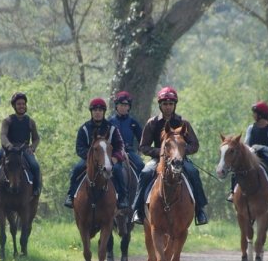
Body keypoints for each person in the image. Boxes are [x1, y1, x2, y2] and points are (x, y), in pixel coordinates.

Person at [131, 86, 209, 226]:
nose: (168, 107)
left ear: (174, 105)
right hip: (159, 159)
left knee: (193, 172)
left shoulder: (183, 123)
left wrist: (180, 151)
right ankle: (138, 210)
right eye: (165, 104)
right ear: (160, 105)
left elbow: (194, 144)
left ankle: (200, 210)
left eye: (171, 104)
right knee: (145, 173)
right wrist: (162, 152)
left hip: (179, 159)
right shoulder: (152, 123)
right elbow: (143, 147)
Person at [64, 97, 128, 210]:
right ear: (91, 112)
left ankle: (122, 198)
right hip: (89, 160)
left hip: (108, 159)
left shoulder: (112, 128)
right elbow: (79, 147)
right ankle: (70, 195)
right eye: (95, 110)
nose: (97, 113)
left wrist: (116, 157)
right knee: (77, 169)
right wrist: (91, 158)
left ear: (103, 112)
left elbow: (120, 146)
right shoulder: (84, 128)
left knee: (118, 170)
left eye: (100, 110)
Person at [227, 101, 268, 204]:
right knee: (236, 169)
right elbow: (246, 143)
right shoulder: (251, 128)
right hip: (251, 155)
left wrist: (262, 148)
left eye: (255, 113)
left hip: (264, 157)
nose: (253, 115)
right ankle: (232, 192)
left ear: (261, 115)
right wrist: (250, 149)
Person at [0, 92, 41, 197]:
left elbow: (36, 138)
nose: (21, 106)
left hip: (23, 149)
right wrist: (8, 146)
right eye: (19, 104)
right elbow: (3, 135)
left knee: (35, 165)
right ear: (14, 106)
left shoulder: (30, 122)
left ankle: (36, 188)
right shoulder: (7, 121)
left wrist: (32, 148)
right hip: (9, 149)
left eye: (23, 104)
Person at [108, 91, 144, 175]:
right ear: (116, 106)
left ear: (129, 107)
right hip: (114, 152)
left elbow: (142, 139)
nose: (123, 108)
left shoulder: (133, 122)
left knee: (140, 165)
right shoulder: (110, 122)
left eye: (125, 105)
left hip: (129, 152)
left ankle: (140, 184)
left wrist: (140, 150)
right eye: (121, 105)